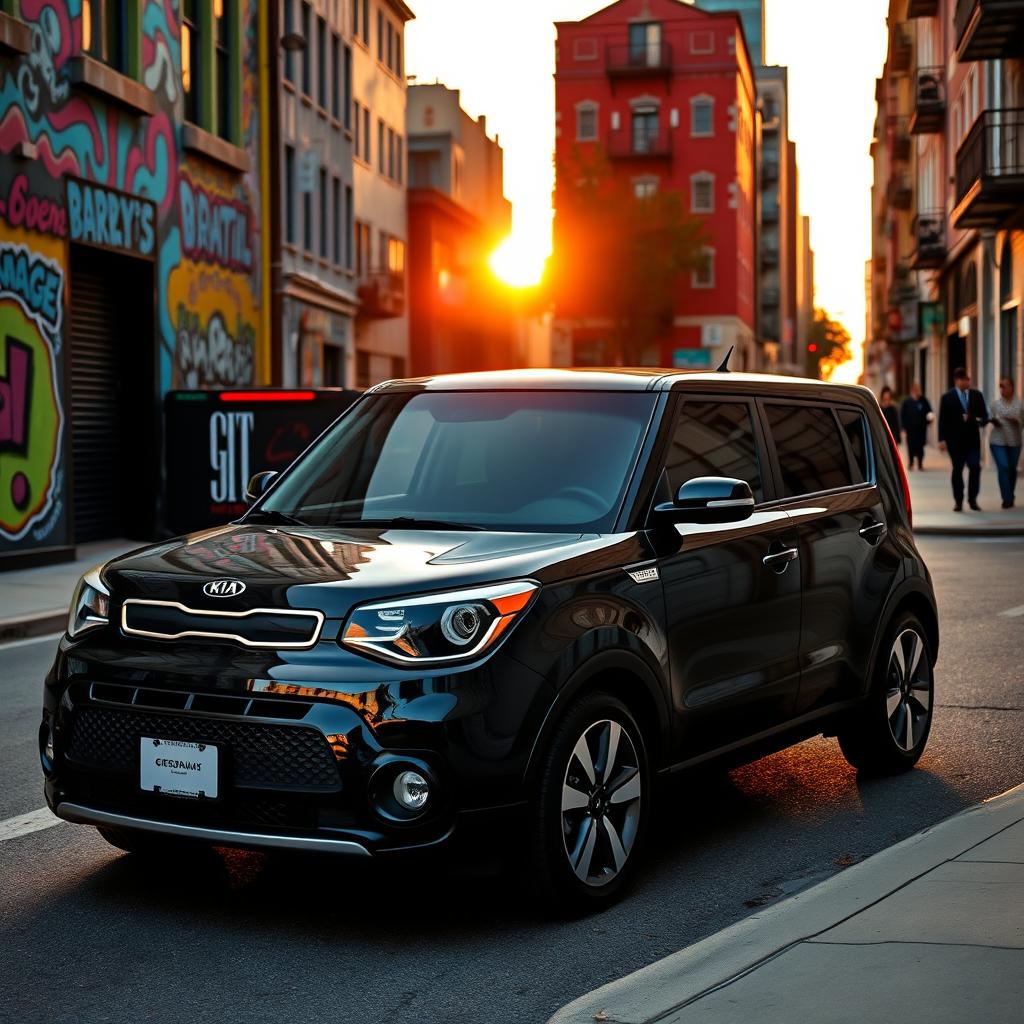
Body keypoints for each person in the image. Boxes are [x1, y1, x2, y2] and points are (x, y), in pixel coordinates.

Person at [938, 367, 990, 512]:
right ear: (957, 381)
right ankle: (958, 501)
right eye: (964, 379)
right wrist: (941, 439)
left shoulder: (977, 395)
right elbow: (942, 420)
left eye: (968, 379)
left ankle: (972, 499)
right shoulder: (947, 397)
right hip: (955, 442)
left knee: (975, 467)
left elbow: (984, 416)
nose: (967, 382)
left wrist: (975, 419)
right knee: (957, 470)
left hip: (973, 441)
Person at [989, 376, 1022, 509]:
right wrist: (993, 420)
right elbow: (988, 417)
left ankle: (1010, 494)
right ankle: (1006, 499)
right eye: (1000, 386)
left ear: (1012, 387)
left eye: (1005, 386)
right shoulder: (995, 404)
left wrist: (1017, 421)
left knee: (1012, 470)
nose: (1002, 389)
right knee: (1003, 467)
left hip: (1014, 441)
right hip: (997, 440)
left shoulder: (1020, 405)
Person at [900, 381, 933, 470]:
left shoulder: (923, 400)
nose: (918, 392)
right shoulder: (907, 402)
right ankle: (911, 463)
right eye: (916, 390)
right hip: (910, 429)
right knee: (910, 447)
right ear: (912, 391)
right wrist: (903, 428)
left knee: (920, 447)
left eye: (918, 390)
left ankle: (920, 463)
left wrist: (930, 419)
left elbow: (929, 412)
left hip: (921, 429)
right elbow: (903, 415)